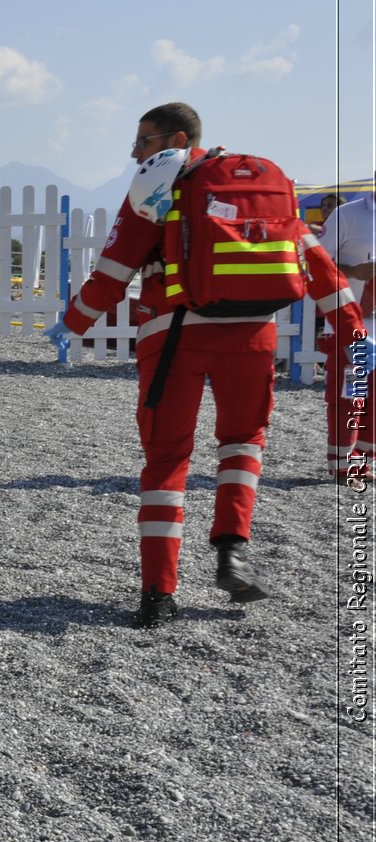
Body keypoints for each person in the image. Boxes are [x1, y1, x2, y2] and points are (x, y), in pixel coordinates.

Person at [44, 102, 364, 628]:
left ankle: (158, 593)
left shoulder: (160, 178)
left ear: (172, 139)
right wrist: (351, 328)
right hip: (254, 335)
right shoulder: (265, 181)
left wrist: (73, 324)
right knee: (243, 444)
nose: (134, 152)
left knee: (167, 458)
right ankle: (231, 554)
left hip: (174, 335)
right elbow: (317, 263)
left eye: (141, 141)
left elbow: (114, 270)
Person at [318, 190, 375, 481]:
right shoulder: (347, 214)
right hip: (350, 325)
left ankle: (362, 461)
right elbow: (316, 262)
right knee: (350, 395)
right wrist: (354, 270)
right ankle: (342, 464)